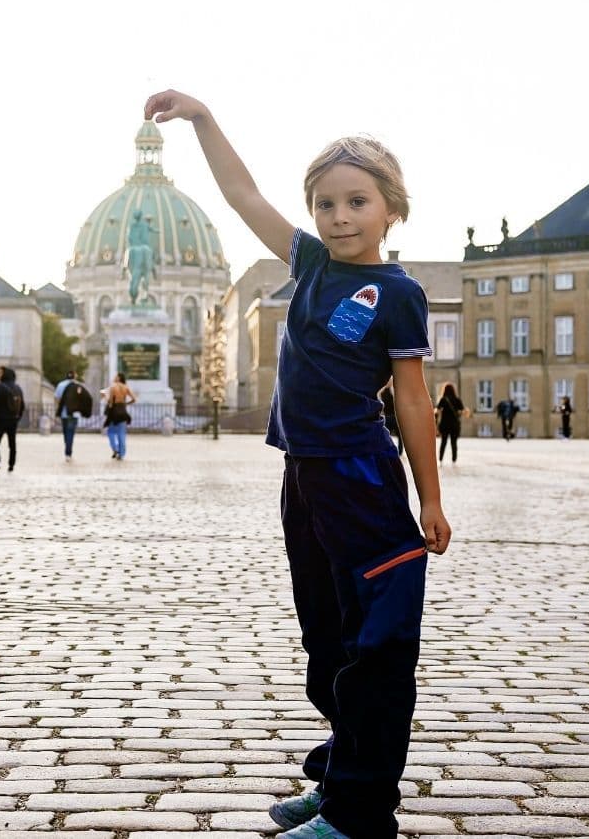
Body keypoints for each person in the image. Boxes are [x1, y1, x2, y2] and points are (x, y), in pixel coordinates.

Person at [147, 88, 451, 839]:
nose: (339, 216)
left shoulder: (401, 293)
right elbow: (240, 192)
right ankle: (340, 772)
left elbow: (413, 402)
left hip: (358, 476)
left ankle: (358, 813)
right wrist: (203, 119)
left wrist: (430, 501)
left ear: (391, 209)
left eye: (356, 201)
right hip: (304, 477)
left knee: (376, 647)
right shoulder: (309, 263)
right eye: (325, 203)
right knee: (328, 642)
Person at [0, 365, 24, 474]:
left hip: (1, 420)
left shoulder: (0, 387)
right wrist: (18, 417)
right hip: (13, 420)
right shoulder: (18, 388)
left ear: (4, 374)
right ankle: (11, 465)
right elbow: (22, 406)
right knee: (12, 444)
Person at [54, 370, 93, 461]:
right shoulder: (79, 386)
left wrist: (61, 406)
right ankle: (69, 453)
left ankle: (67, 449)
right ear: (74, 376)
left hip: (64, 413)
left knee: (65, 432)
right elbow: (85, 398)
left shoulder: (61, 385)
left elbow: (56, 398)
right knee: (71, 433)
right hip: (75, 413)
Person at [103, 372, 137, 460]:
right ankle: (122, 454)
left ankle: (115, 448)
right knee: (121, 433)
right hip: (123, 410)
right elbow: (134, 399)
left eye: (116, 376)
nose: (114, 377)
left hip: (114, 411)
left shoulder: (113, 387)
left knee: (111, 432)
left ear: (118, 378)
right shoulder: (126, 387)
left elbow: (110, 403)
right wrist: (126, 403)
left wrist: (105, 397)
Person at [434, 382, 464, 463]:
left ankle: (440, 459)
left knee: (443, 442)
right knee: (454, 443)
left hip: (445, 424)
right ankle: (454, 459)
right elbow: (462, 411)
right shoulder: (457, 399)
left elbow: (437, 410)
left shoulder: (443, 399)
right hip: (454, 425)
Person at [379, 384, 403, 455]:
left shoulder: (390, 391)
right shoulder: (384, 392)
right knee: (386, 436)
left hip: (394, 416)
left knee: (398, 435)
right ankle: (389, 451)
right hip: (389, 417)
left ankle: (399, 451)